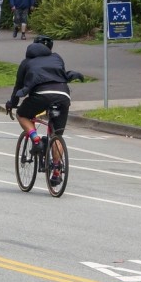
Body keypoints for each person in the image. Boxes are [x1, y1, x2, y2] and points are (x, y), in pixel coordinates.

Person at [6, 36, 83, 186]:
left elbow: (18, 86)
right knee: (56, 134)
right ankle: (56, 171)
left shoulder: (26, 62)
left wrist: (12, 103)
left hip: (41, 95)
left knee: (22, 114)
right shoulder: (57, 58)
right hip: (63, 95)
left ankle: (35, 139)